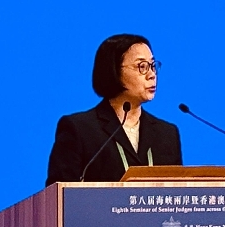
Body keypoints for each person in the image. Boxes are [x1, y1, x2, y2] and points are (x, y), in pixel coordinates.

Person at [46, 34, 182, 184]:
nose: (152, 75)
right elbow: (59, 193)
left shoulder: (167, 134)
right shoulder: (79, 130)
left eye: (153, 66)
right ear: (114, 70)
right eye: (142, 67)